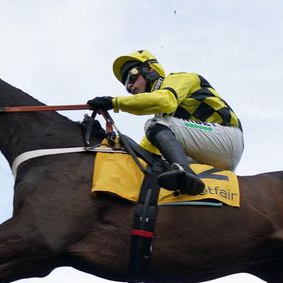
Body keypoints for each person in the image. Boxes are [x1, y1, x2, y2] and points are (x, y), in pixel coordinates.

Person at [87, 50, 244, 196]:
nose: (129, 86)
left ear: (149, 70)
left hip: (228, 139)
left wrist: (115, 102)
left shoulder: (179, 80)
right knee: (156, 165)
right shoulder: (163, 123)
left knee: (154, 124)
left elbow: (166, 101)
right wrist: (111, 141)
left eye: (131, 76)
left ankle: (185, 173)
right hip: (208, 153)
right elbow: (144, 154)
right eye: (125, 85)